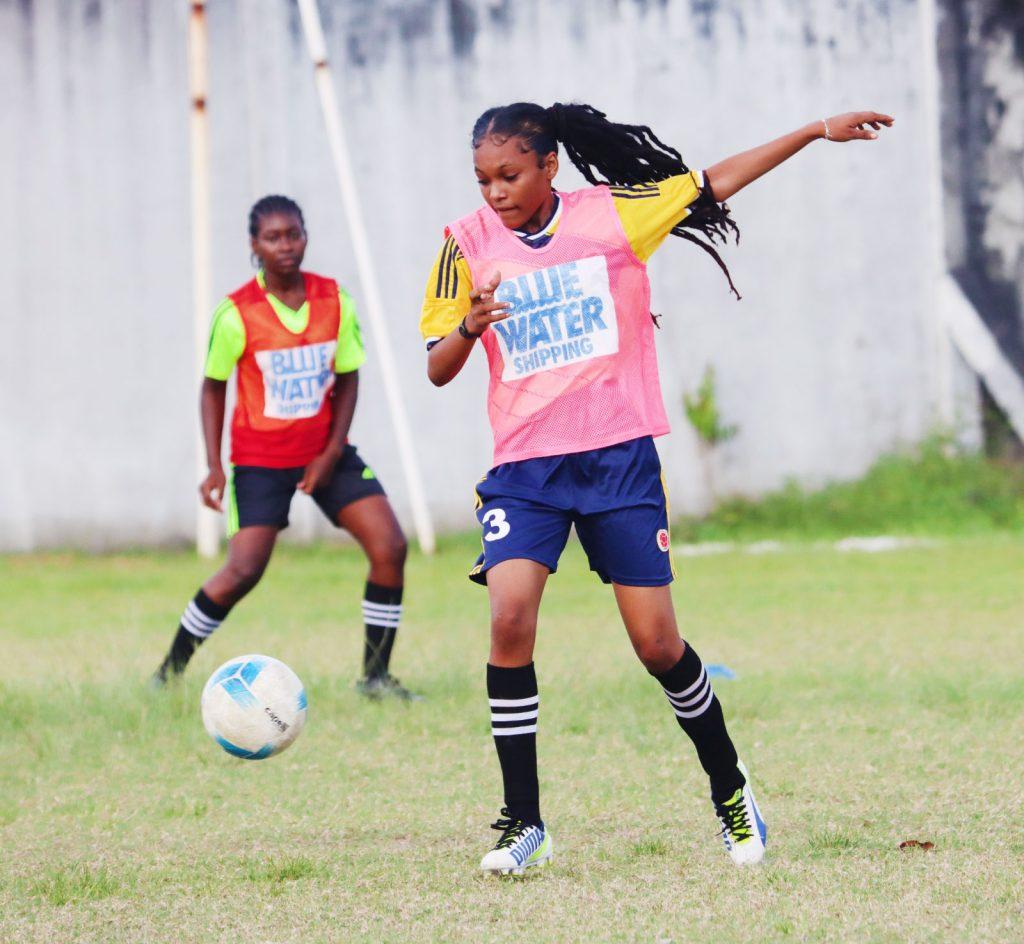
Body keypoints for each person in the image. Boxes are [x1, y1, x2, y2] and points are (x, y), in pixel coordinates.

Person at [420, 103, 892, 873]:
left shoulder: (612, 216)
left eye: (509, 175)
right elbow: (437, 368)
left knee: (657, 645)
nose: (495, 192)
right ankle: (524, 822)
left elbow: (712, 183)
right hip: (525, 468)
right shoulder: (463, 244)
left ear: (550, 168)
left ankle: (730, 789)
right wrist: (469, 327)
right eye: (483, 179)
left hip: (617, 461)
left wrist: (810, 133)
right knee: (509, 618)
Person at [154, 195, 416, 700]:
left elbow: (348, 377)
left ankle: (376, 678)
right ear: (254, 245)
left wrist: (332, 451)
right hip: (259, 461)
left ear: (305, 235)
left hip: (325, 451)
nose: (286, 245)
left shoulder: (334, 300)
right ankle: (168, 673)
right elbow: (212, 386)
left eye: (293, 234)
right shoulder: (236, 313)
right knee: (243, 570)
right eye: (273, 237)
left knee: (390, 547)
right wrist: (213, 466)